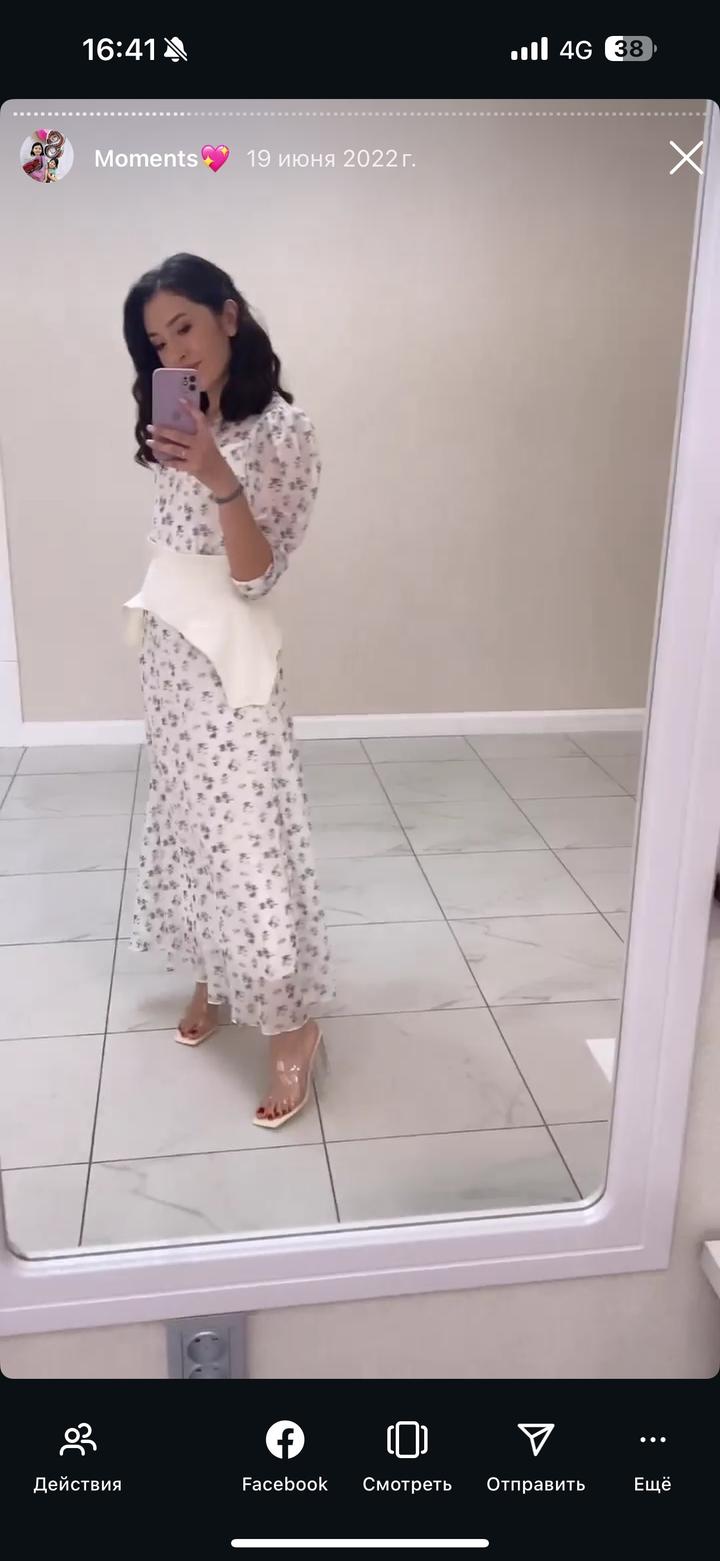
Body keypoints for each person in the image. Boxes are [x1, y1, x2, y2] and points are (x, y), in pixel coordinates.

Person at [122, 253, 335, 1127]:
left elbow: (256, 575)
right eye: (156, 341)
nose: (174, 350)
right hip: (170, 659)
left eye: (186, 326)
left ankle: (291, 1024)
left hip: (231, 665)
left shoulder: (283, 431)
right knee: (190, 827)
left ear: (230, 316)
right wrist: (192, 454)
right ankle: (217, 969)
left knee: (249, 840)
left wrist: (219, 475)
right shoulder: (180, 419)